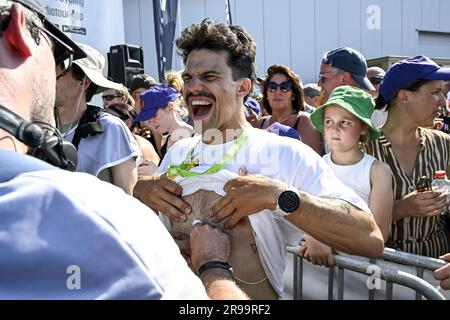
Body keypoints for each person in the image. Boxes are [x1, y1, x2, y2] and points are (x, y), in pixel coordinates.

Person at [0, 0, 247, 300]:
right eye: (58, 56)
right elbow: (138, 200)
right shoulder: (119, 225)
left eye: (61, 62)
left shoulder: (110, 131)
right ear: (18, 28)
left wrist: (286, 201)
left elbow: (129, 192)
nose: (55, 74)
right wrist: (213, 267)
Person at [134, 19, 384, 299]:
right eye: (189, 78)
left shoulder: (281, 153)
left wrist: (279, 196)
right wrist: (141, 192)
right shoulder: (180, 153)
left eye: (209, 77)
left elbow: (369, 237)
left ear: (243, 88)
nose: (193, 88)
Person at [367, 55, 450, 258]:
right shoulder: (365, 148)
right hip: (384, 271)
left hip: (436, 268)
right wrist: (401, 208)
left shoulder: (443, 142)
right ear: (404, 96)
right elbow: (349, 217)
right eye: (436, 92)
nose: (443, 101)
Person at [304, 85, 392, 266]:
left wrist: (324, 240)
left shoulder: (377, 172)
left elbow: (378, 235)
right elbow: (301, 212)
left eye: (345, 122)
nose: (334, 129)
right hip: (315, 272)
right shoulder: (315, 165)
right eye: (329, 121)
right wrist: (312, 237)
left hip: (358, 271)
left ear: (363, 129)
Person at [55, 42, 141, 195]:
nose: (50, 79)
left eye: (59, 73)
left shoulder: (110, 128)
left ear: (84, 82)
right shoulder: (40, 125)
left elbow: (128, 198)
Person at [257, 64, 322, 155]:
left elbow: (313, 163)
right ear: (266, 94)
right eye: (272, 87)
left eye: (284, 87)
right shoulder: (261, 124)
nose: (277, 92)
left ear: (294, 94)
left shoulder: (304, 121)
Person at [135, 84, 194, 162]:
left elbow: (195, 171)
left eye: (154, 115)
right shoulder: (165, 140)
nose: (149, 121)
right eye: (148, 117)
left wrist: (157, 172)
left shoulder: (195, 136)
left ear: (170, 107)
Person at [105, 103, 160, 177]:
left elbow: (149, 178)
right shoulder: (123, 143)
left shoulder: (140, 145)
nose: (105, 124)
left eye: (111, 121)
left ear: (128, 123)